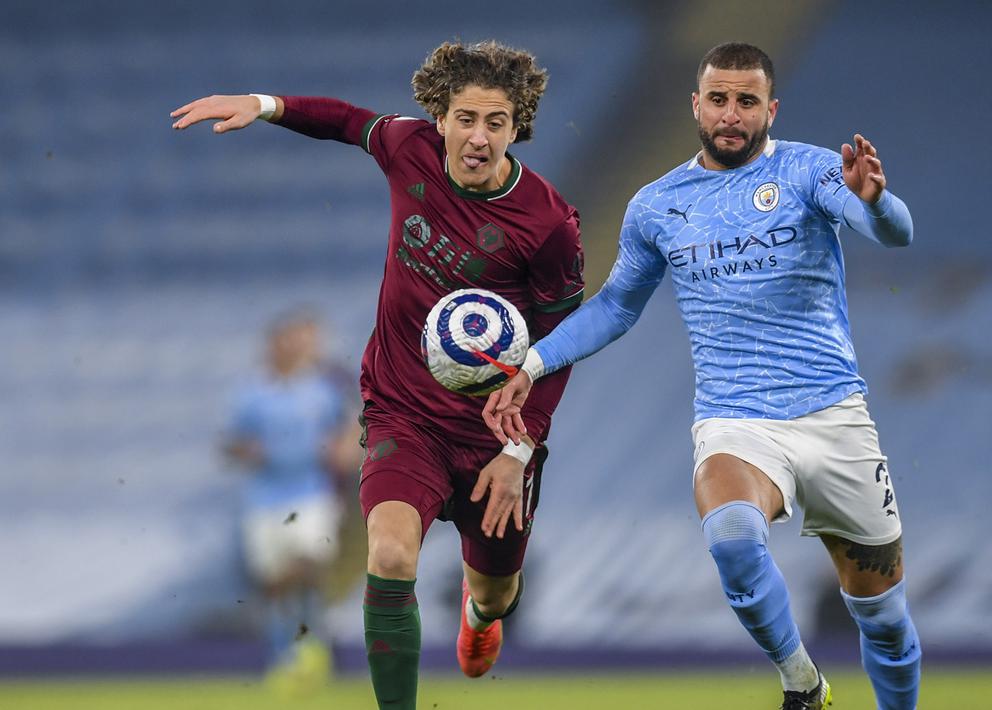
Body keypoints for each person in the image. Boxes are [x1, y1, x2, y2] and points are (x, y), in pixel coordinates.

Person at [485, 42, 921, 710]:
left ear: (769, 109)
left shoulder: (810, 170)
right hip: (736, 419)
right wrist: (534, 361)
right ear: (696, 104)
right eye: (717, 98)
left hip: (832, 416)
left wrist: (878, 200)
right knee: (730, 537)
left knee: (884, 622)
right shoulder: (657, 205)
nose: (730, 113)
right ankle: (801, 682)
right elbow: (613, 307)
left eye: (746, 101)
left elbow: (892, 233)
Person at [173, 40, 585, 710]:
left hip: (494, 433)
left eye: (496, 122)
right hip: (403, 415)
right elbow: (343, 121)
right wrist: (263, 104)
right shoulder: (409, 148)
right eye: (465, 118)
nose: (477, 136)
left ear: (518, 127)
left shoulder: (546, 225)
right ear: (441, 118)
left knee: (494, 592)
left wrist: (519, 448)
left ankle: (479, 619)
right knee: (390, 557)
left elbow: (565, 341)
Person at [223, 309, 350, 692]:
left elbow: (345, 434)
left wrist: (342, 452)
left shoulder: (322, 390)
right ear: (273, 344)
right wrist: (247, 450)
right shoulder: (250, 393)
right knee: (274, 584)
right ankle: (288, 653)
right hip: (263, 499)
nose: (298, 347)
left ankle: (310, 646)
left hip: (310, 494)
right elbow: (231, 444)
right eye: (289, 340)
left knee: (308, 562)